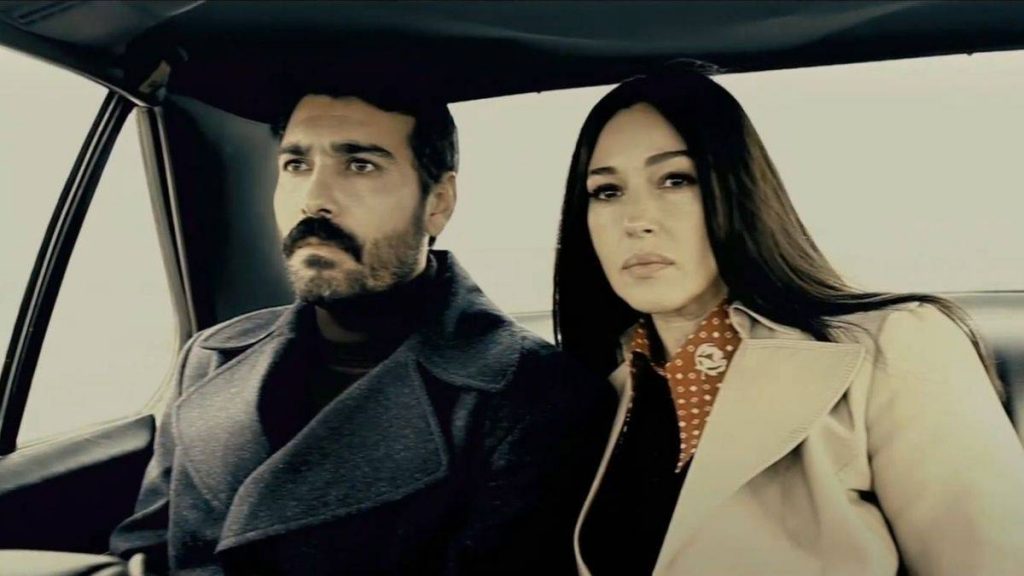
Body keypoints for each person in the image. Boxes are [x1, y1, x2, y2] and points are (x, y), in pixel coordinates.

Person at [107, 87, 616, 575]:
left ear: (437, 202)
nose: (314, 199)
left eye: (359, 165)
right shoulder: (211, 357)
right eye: (296, 165)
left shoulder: (533, 395)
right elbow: (142, 552)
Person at [552, 66, 1024, 575]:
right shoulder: (597, 395)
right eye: (606, 191)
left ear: (739, 191)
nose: (636, 220)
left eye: (677, 180)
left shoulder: (894, 348)